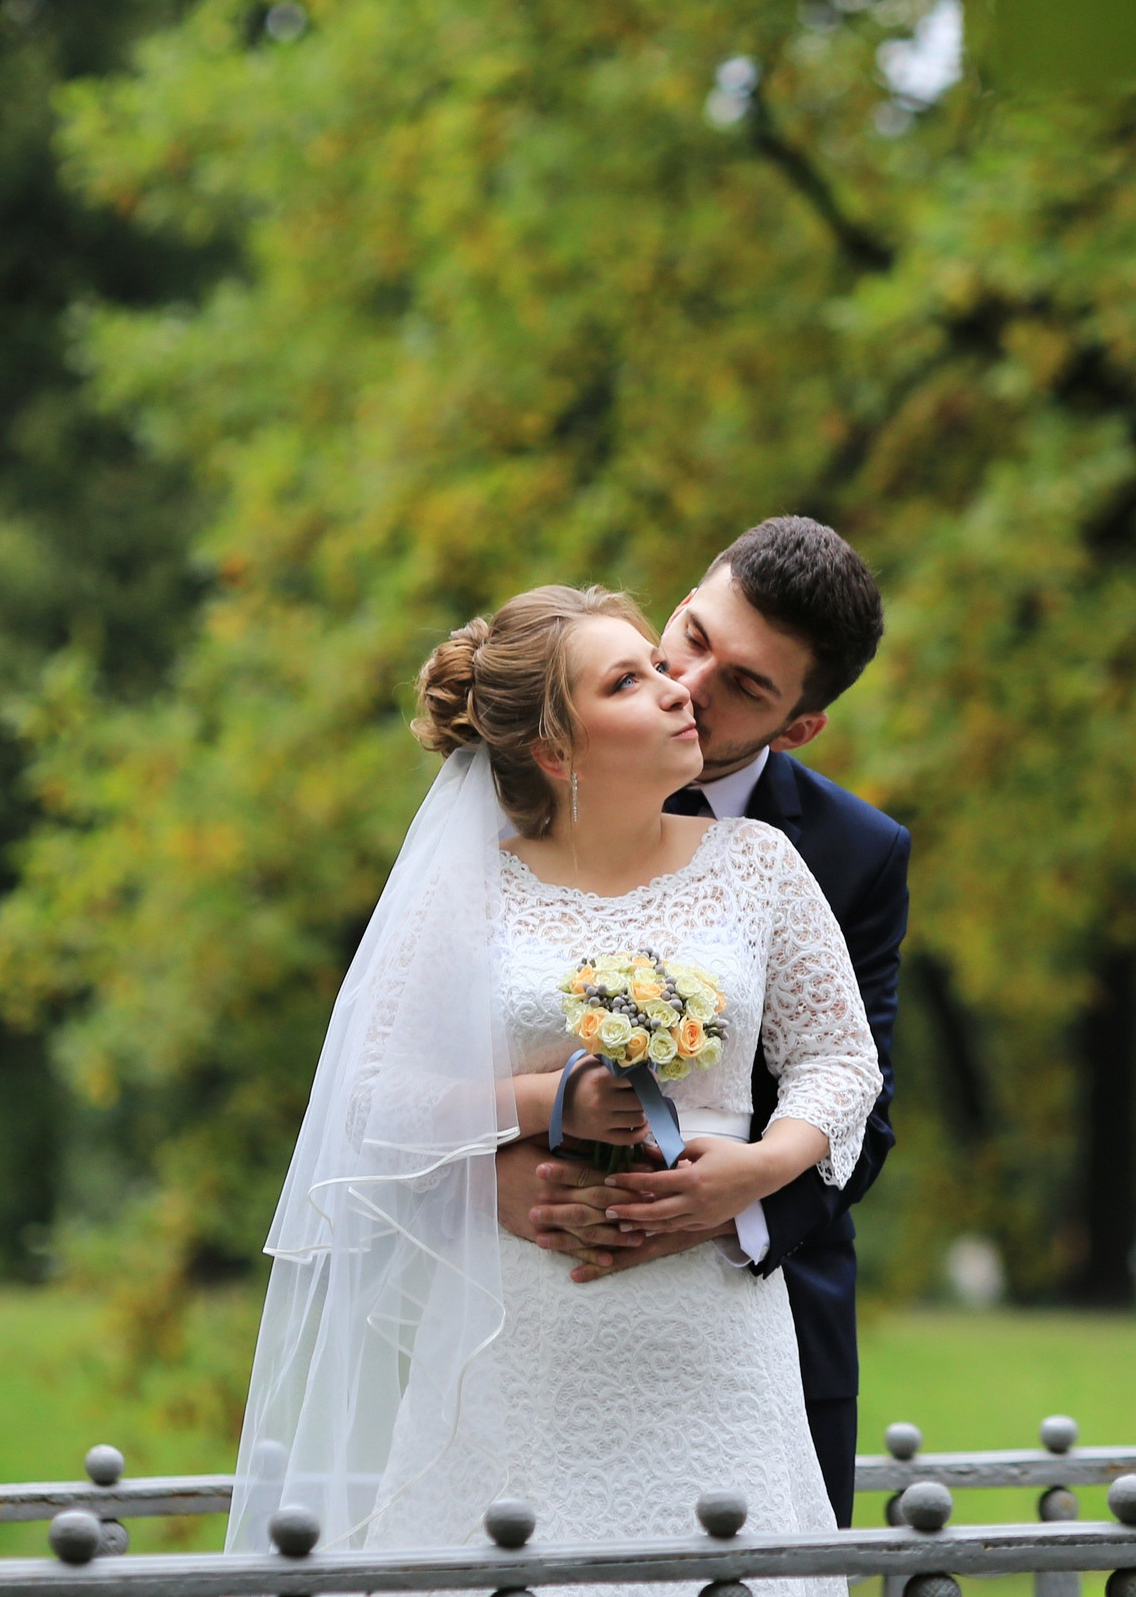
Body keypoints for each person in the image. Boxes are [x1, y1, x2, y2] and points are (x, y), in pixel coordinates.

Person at [226, 584, 876, 1588]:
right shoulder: (468, 889)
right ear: (557, 752)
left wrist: (757, 1168)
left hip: (712, 1340)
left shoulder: (761, 866)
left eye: (656, 666)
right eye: (629, 681)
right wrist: (545, 1104)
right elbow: (372, 1097)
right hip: (521, 1329)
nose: (676, 691)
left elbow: (840, 1061)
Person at [494, 517, 908, 1529]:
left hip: (752, 1325)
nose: (686, 682)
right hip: (523, 1302)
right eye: (691, 636)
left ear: (797, 727)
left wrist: (737, 1196)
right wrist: (500, 1174)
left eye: (746, 685)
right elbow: (392, 1074)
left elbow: (859, 1092)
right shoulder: (509, 796)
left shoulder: (843, 853)